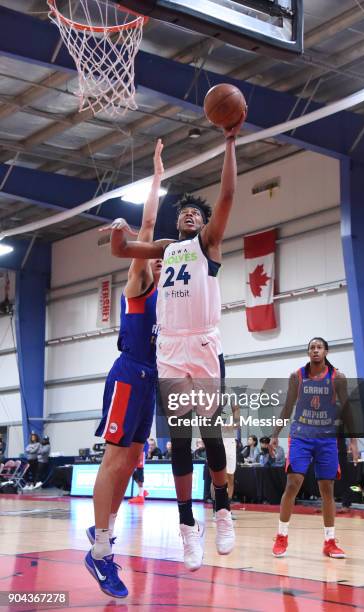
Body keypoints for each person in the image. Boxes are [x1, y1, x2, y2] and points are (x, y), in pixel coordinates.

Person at [110, 112, 245, 571]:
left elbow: (227, 194)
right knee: (181, 441)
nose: (190, 213)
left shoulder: (208, 244)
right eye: (185, 210)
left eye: (197, 212)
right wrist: (118, 234)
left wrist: (229, 142)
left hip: (203, 343)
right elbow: (123, 252)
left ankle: (222, 511)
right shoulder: (168, 248)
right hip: (169, 347)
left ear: (205, 223)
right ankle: (189, 526)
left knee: (210, 435)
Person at [84, 140, 164, 599]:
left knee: (131, 460)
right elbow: (148, 224)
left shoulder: (168, 291)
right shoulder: (140, 280)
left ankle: (105, 541)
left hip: (150, 379)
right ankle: (99, 552)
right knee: (115, 460)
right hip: (129, 373)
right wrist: (155, 176)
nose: (156, 256)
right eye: (150, 251)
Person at [270, 337, 358, 559]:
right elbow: (287, 407)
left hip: (327, 438)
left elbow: (347, 410)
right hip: (301, 436)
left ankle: (329, 541)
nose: (316, 350)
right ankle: (282, 536)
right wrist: (274, 435)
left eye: (319, 347)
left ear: (326, 351)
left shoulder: (337, 377)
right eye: (312, 348)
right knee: (293, 483)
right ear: (308, 353)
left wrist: (354, 440)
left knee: (327, 488)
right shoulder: (297, 377)